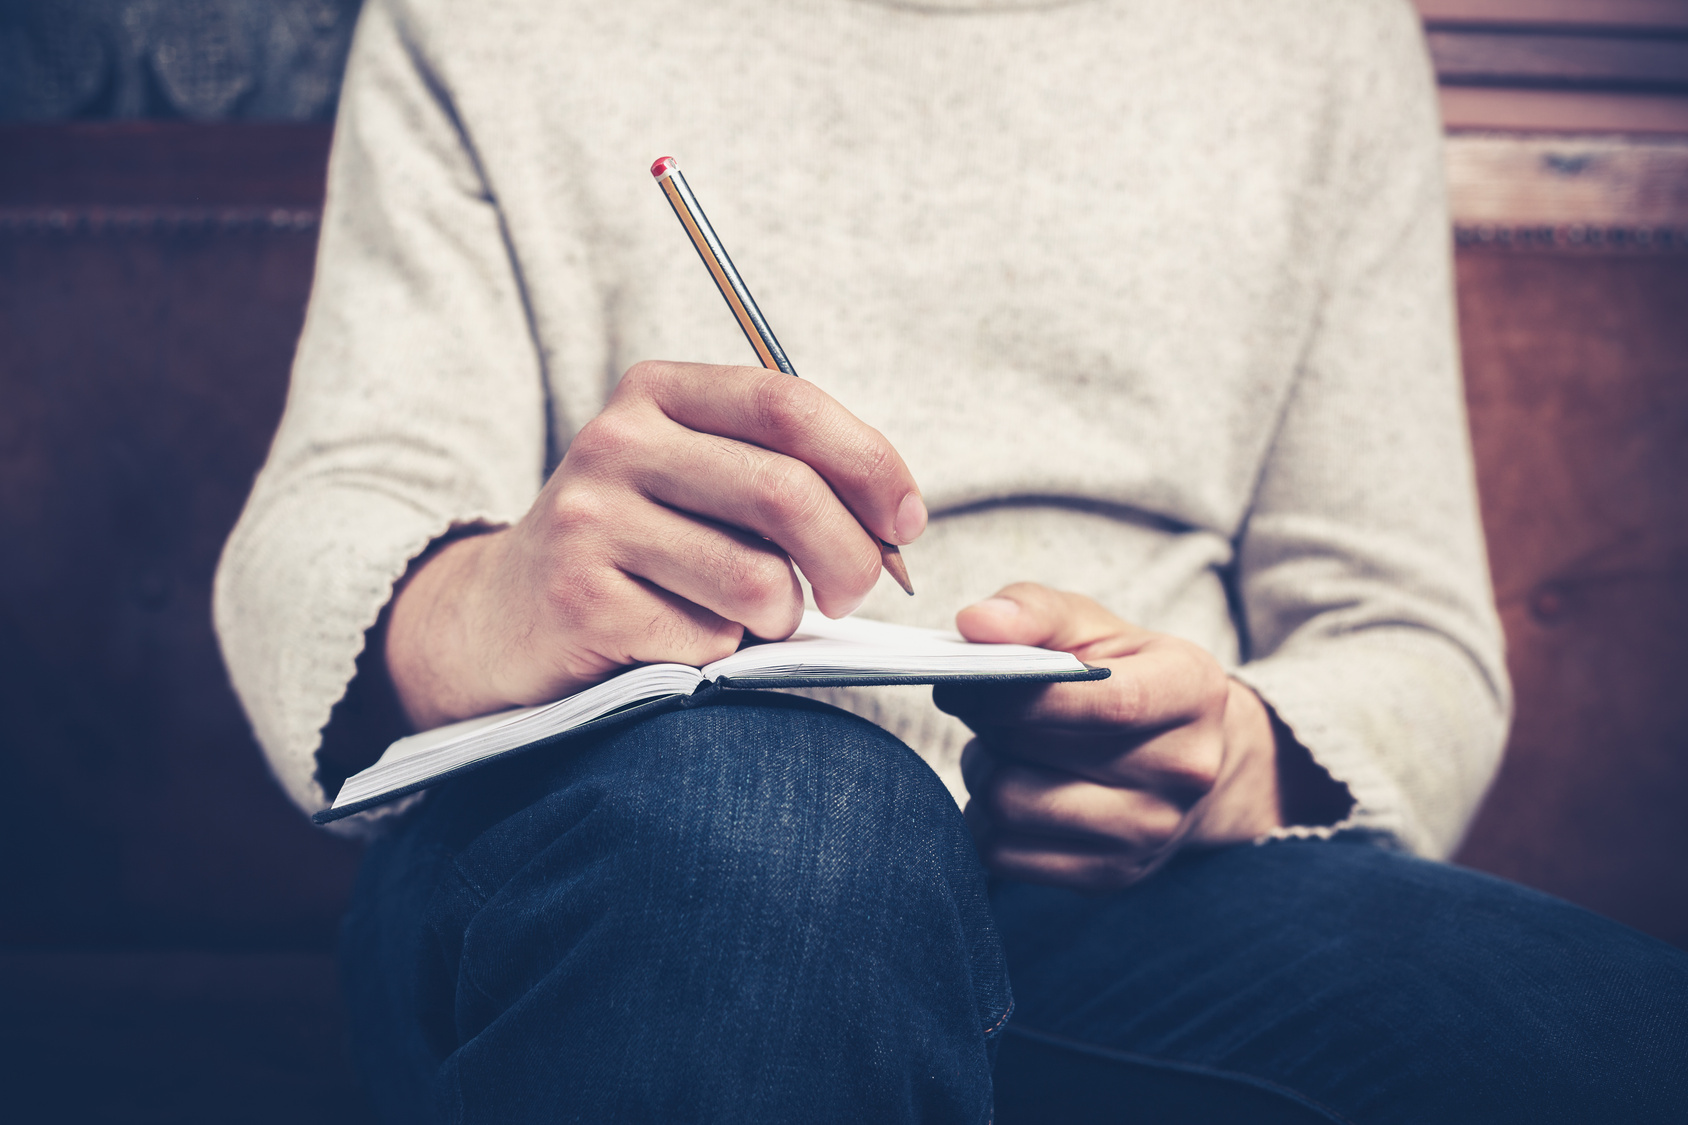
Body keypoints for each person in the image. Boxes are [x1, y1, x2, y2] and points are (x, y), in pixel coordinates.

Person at [214, 0, 1688, 1121]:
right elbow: (327, 518)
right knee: (786, 820)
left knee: (1618, 1027)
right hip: (619, 860)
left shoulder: (1319, 33)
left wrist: (1234, 753)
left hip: (1132, 893)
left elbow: (1406, 626)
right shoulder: (484, 22)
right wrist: (499, 591)